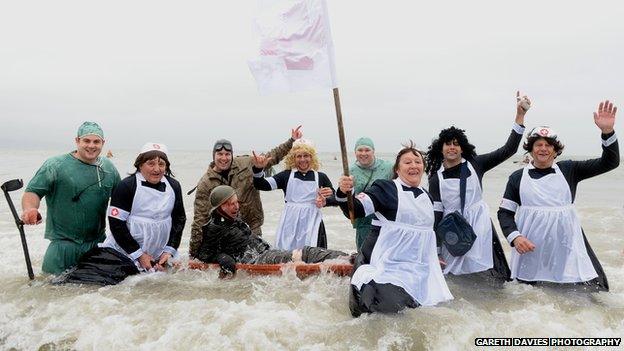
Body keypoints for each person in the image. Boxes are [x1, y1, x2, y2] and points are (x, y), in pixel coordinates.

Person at [497, 100, 619, 291]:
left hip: (567, 248)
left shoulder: (570, 169)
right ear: (531, 149)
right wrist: (515, 237)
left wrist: (607, 132)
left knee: (591, 295)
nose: (543, 149)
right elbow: (504, 213)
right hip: (531, 250)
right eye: (538, 145)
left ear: (555, 150)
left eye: (548, 145)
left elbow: (610, 163)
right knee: (532, 298)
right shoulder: (517, 177)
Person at [337, 143, 453, 317]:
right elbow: (356, 210)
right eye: (407, 162)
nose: (413, 165)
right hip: (383, 267)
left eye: (417, 162)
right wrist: (344, 192)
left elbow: (428, 235)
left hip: (416, 271)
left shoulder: (427, 197)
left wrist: (435, 256)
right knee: (383, 318)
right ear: (397, 170)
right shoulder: (385, 188)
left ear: (423, 168)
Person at [425, 92, 530, 280]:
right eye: (447, 144)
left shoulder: (475, 164)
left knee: (490, 277)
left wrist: (520, 116)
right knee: (454, 277)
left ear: (462, 148)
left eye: (456, 144)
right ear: (440, 148)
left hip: (480, 227)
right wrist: (437, 250)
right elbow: (436, 215)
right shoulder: (435, 179)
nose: (452, 148)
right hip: (452, 231)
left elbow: (508, 150)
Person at [57, 143, 186, 285]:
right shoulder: (126, 186)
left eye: (161, 164)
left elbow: (179, 219)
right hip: (126, 251)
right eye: (151, 164)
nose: (157, 169)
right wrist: (139, 255)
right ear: (140, 164)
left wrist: (169, 250)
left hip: (160, 252)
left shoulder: (173, 186)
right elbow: (117, 224)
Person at [21, 122, 121, 275]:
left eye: (96, 141)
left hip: (97, 245)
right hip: (62, 248)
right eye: (86, 141)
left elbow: (122, 202)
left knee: (95, 295)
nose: (91, 146)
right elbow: (33, 192)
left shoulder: (109, 168)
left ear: (103, 143)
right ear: (77, 141)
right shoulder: (55, 165)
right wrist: (30, 209)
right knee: (50, 293)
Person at [189, 126, 303, 258]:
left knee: (258, 263)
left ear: (232, 155)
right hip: (225, 235)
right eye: (220, 154)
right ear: (213, 155)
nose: (224, 158)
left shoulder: (246, 163)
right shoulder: (205, 183)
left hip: (251, 228)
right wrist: (194, 255)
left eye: (227, 154)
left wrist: (292, 140)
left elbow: (272, 156)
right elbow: (200, 220)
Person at [195, 185, 350, 276]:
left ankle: (347, 258)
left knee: (302, 253)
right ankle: (349, 261)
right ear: (220, 207)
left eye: (236, 203)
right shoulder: (214, 227)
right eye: (230, 204)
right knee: (304, 253)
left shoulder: (232, 217)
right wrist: (222, 257)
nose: (236, 207)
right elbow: (203, 254)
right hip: (257, 261)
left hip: (264, 252)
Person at [251, 139, 335, 250]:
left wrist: (326, 201)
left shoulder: (321, 177)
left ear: (312, 157)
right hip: (290, 222)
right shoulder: (286, 176)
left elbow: (335, 199)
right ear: (293, 158)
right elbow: (261, 185)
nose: (303, 159)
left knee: (314, 255)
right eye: (298, 156)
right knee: (286, 256)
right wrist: (258, 169)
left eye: (306, 156)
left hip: (313, 222)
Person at [349, 137, 393, 250]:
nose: (363, 153)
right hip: (363, 221)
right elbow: (347, 198)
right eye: (360, 150)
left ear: (373, 151)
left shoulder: (388, 167)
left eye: (367, 150)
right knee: (364, 257)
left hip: (384, 219)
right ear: (355, 152)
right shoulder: (350, 171)